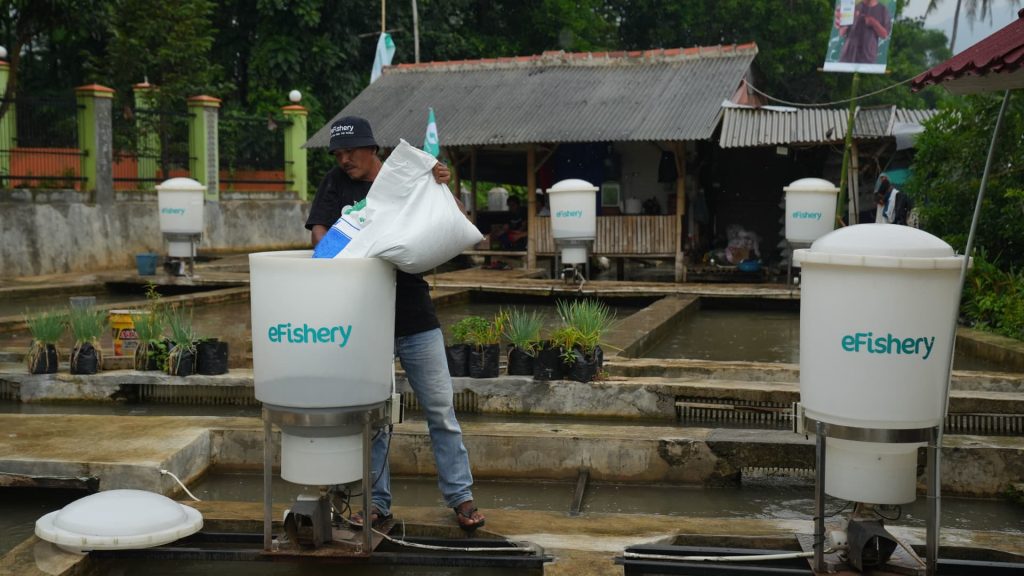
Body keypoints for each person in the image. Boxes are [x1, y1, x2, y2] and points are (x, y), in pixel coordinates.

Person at [304, 116, 485, 532]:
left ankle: (461, 498)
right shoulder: (336, 184)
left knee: (441, 412)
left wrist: (442, 184)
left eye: (351, 152)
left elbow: (455, 219)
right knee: (374, 417)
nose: (344, 159)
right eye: (338, 153)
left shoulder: (407, 178)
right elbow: (320, 238)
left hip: (415, 316)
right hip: (365, 321)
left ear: (373, 150)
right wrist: (358, 248)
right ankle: (376, 503)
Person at [835, 0, 891, 64]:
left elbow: (885, 35)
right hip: (847, 56)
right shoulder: (852, 6)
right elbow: (841, 33)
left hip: (867, 58)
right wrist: (845, 21)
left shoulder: (883, 10)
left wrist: (873, 22)